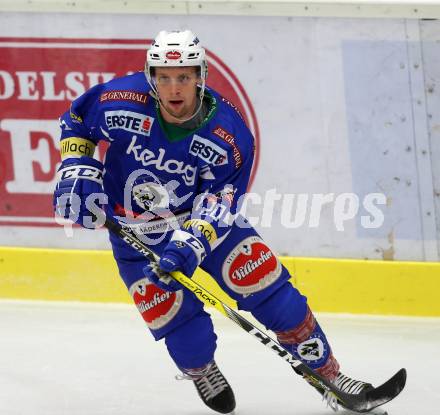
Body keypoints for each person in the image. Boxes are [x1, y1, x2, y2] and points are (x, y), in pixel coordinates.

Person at [53, 30, 373, 414]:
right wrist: (76, 169)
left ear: (200, 76)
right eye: (164, 77)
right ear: (151, 75)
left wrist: (193, 241)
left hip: (204, 225)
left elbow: (220, 201)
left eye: (184, 77)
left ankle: (332, 378)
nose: (174, 88)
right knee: (186, 337)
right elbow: (76, 121)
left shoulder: (229, 133)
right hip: (135, 232)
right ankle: (201, 369)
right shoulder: (120, 100)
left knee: (273, 294)